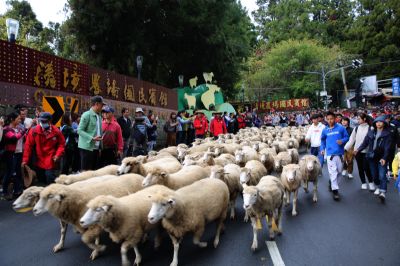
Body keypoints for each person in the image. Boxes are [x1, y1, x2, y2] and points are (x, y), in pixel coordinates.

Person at [355, 115, 393, 202]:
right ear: (375, 123)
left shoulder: (387, 134)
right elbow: (365, 143)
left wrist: (384, 158)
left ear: (384, 123)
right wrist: (358, 150)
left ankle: (383, 192)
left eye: (380, 122)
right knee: (374, 175)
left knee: (382, 175)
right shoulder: (371, 133)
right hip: (371, 157)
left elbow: (387, 148)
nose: (378, 123)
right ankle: (378, 186)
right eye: (377, 122)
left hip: (382, 158)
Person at [22, 112, 65, 184]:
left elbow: (61, 144)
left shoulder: (56, 131)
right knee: (41, 179)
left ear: (50, 121)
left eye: (44, 121)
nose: (42, 123)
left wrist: (58, 154)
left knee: (50, 177)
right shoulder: (34, 131)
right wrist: (25, 160)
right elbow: (28, 146)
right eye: (41, 121)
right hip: (39, 159)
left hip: (51, 158)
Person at [320, 111, 349, 201]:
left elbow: (347, 137)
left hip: (340, 154)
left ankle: (332, 183)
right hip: (330, 155)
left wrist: (342, 141)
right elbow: (322, 140)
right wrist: (322, 149)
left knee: (339, 172)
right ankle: (335, 191)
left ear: (335, 118)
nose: (330, 121)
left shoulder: (341, 128)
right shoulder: (325, 130)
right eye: (328, 119)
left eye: (331, 119)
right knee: (333, 172)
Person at [345, 112, 375, 191]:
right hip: (356, 152)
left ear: (364, 119)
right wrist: (345, 148)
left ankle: (371, 183)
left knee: (366, 167)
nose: (358, 120)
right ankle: (363, 183)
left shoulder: (371, 128)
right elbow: (351, 140)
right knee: (360, 168)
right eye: (357, 119)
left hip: (367, 151)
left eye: (359, 119)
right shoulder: (356, 128)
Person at [1, 112, 27, 200]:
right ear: (12, 119)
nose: (20, 120)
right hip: (9, 154)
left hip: (18, 153)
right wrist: (24, 131)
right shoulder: (6, 129)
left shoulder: (18, 128)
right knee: (9, 173)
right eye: (18, 119)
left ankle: (17, 190)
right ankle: (4, 192)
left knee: (16, 173)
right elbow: (13, 138)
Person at [78, 96, 105, 171]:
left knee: (93, 171)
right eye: (101, 105)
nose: (102, 107)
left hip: (96, 148)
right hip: (87, 147)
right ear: (96, 104)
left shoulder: (99, 116)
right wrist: (92, 138)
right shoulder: (86, 115)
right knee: (85, 171)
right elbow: (79, 130)